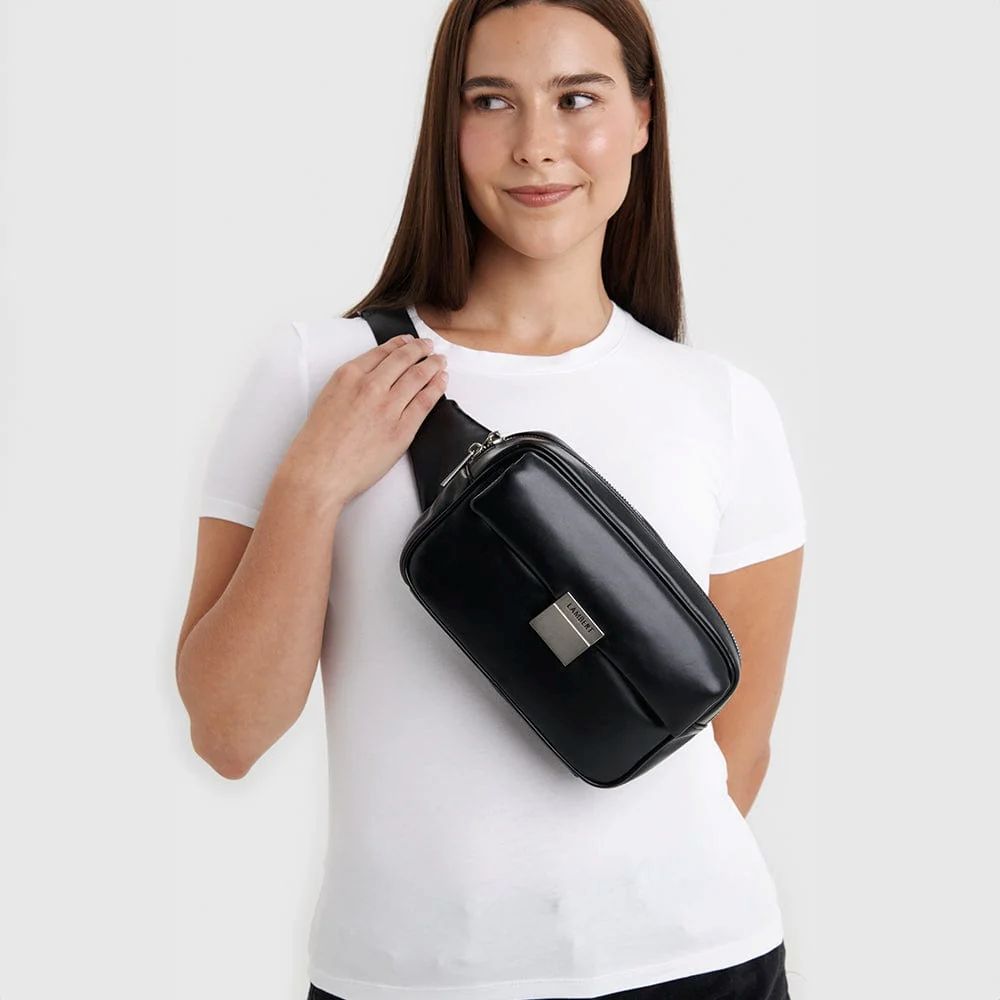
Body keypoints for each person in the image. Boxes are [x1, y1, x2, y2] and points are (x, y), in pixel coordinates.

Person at [175, 1, 806, 997]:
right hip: (407, 978)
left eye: (576, 99)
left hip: (694, 959)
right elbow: (228, 734)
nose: (535, 145)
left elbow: (736, 745)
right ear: (447, 123)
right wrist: (313, 484)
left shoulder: (722, 404)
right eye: (491, 101)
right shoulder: (317, 373)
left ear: (642, 117)